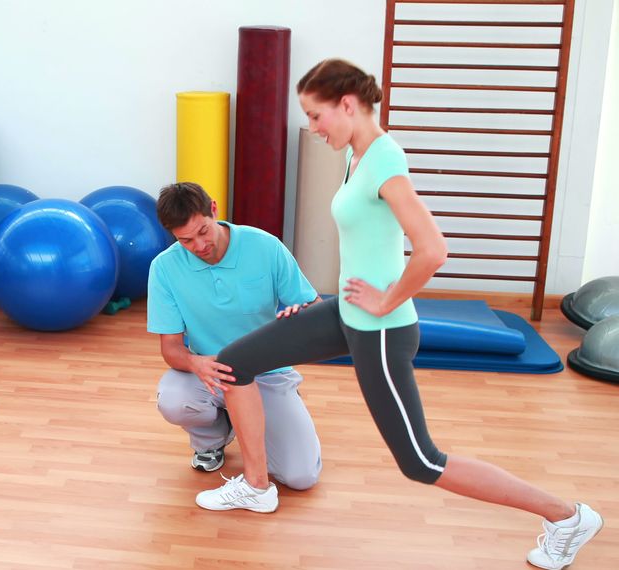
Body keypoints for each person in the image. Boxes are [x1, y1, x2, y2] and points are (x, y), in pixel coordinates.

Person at [199, 58, 602, 569]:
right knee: (235, 363)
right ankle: (257, 486)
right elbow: (373, 244)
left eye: (316, 115)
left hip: (381, 331)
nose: (312, 127)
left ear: (347, 105)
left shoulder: (384, 160)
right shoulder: (358, 155)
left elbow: (433, 248)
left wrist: (387, 300)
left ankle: (567, 516)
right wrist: (329, 303)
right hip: (345, 314)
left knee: (421, 460)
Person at [147, 181, 323, 512]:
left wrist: (300, 317)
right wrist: (196, 363)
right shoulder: (164, 268)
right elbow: (170, 349)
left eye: (203, 231)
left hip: (267, 373)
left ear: (214, 209)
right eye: (186, 240)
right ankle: (213, 439)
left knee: (301, 477)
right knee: (173, 400)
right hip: (209, 373)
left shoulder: (265, 247)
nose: (199, 245)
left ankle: (275, 414)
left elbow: (312, 308)